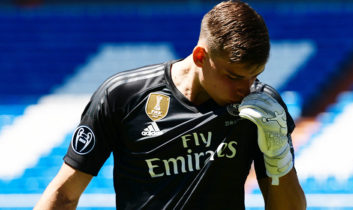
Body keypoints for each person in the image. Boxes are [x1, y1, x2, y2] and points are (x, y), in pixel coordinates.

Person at [35, 1, 306, 209]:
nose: (246, 89)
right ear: (200, 56)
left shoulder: (262, 108)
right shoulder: (123, 95)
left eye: (254, 77)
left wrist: (278, 157)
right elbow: (64, 195)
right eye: (234, 76)